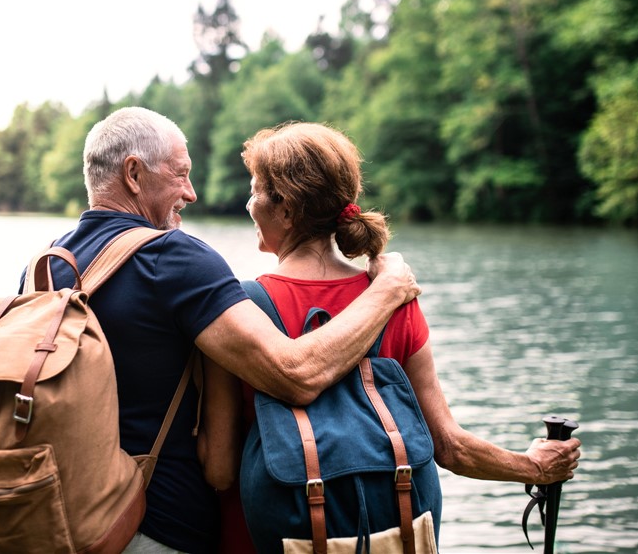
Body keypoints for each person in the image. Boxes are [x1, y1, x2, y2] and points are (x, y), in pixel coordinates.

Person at [22, 107, 422, 554]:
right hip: (154, 528)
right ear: (134, 174)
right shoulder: (173, 258)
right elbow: (295, 374)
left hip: (59, 521)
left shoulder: (46, 265)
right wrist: (386, 291)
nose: (191, 193)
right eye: (180, 174)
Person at [220, 121, 583, 552]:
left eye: (255, 189)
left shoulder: (242, 309)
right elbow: (449, 447)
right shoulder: (395, 298)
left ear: (286, 209)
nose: (248, 203)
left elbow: (219, 467)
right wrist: (533, 466)